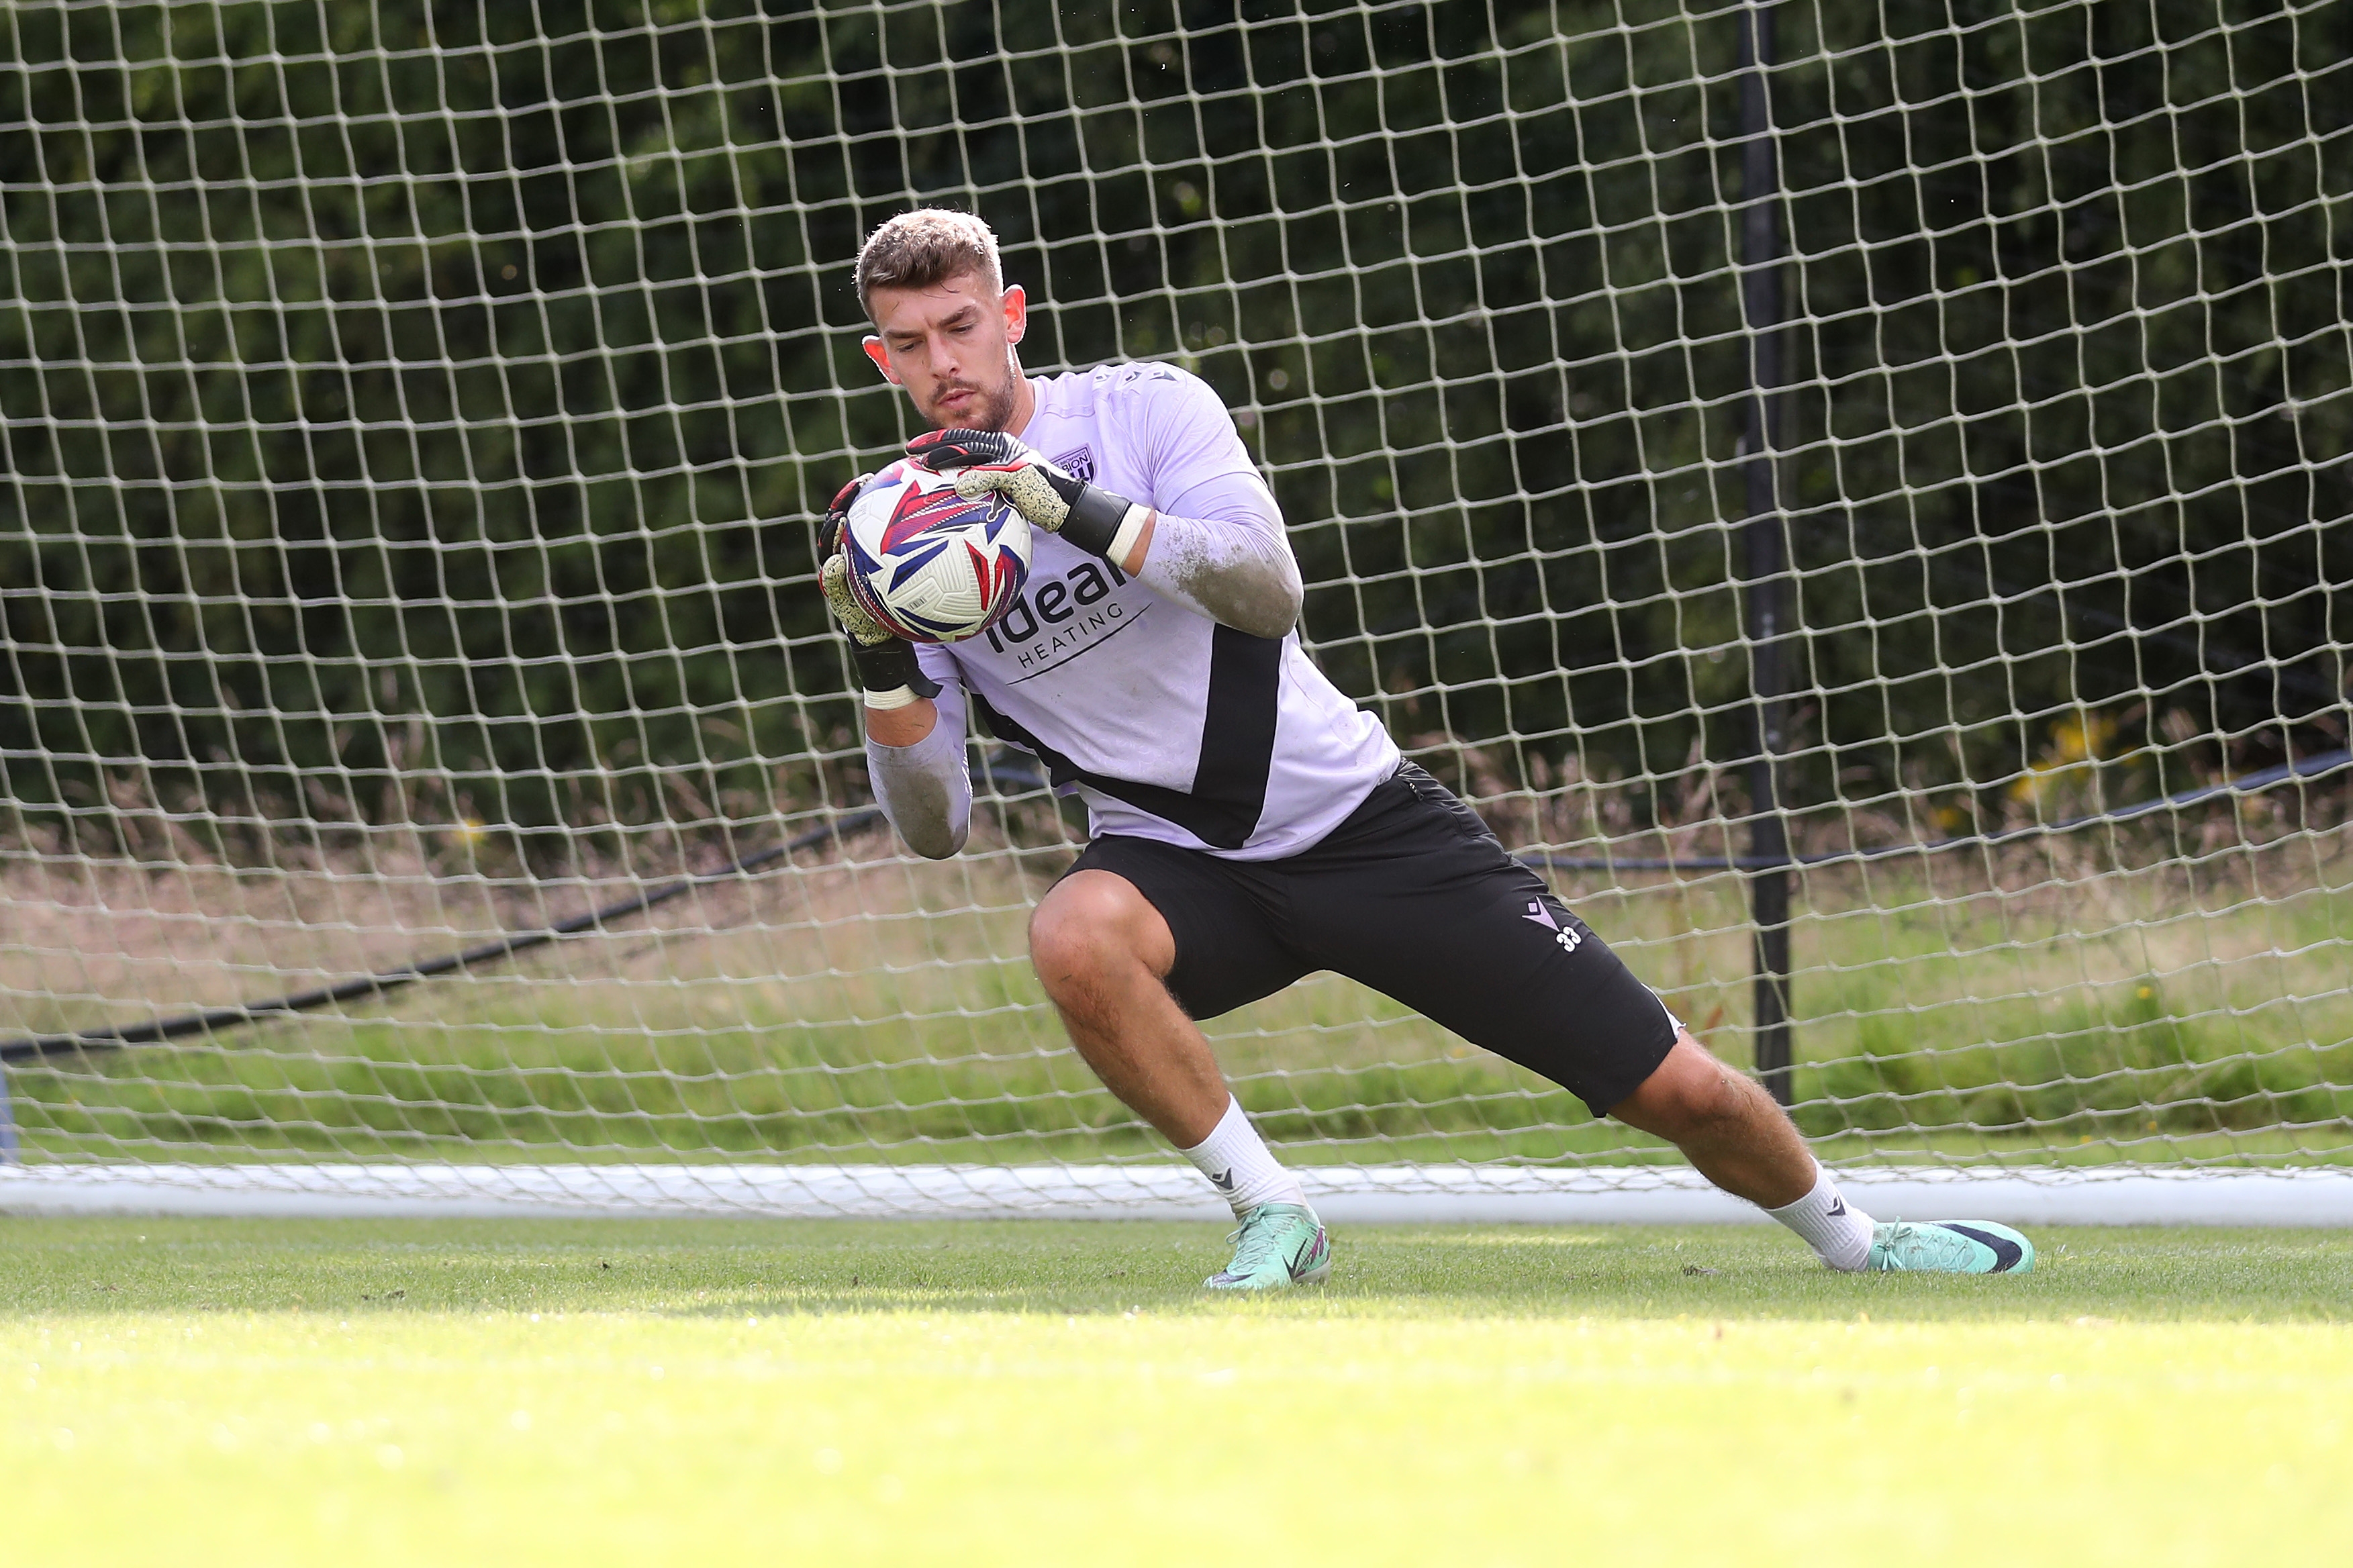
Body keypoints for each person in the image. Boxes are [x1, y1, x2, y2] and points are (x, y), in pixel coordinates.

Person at [818, 207, 2034, 1289]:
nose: (943, 364)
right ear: (880, 355)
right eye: (910, 344)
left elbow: (1265, 590)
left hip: (1360, 825)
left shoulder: (1143, 412)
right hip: (1178, 860)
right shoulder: (890, 535)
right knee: (1070, 932)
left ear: (1011, 317)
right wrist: (876, 656)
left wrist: (1067, 506)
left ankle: (1858, 1241)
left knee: (1674, 1089)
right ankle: (1271, 1212)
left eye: (961, 328)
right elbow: (935, 829)